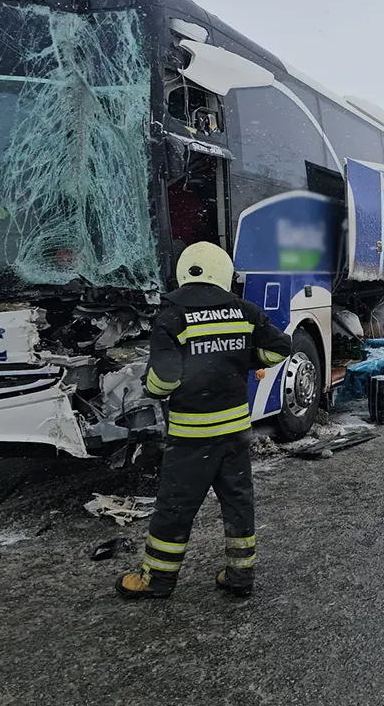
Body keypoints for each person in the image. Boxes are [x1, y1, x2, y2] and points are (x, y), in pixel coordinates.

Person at [117, 242, 292, 599]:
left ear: (185, 272)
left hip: (191, 438)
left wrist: (150, 384)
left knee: (175, 507)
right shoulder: (245, 311)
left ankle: (157, 580)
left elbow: (163, 382)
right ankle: (240, 576)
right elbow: (280, 348)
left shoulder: (171, 317)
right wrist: (242, 360)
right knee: (238, 502)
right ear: (222, 273)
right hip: (236, 433)